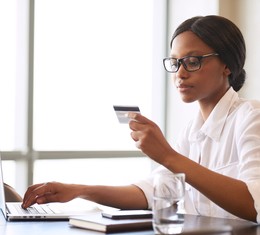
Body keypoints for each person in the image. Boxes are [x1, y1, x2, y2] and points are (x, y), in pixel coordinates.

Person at [22, 15, 260, 223]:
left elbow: (254, 204)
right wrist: (77, 190)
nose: (180, 73)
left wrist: (167, 156)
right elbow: (150, 193)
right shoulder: (191, 132)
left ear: (227, 65)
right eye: (176, 63)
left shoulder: (251, 117)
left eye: (193, 61)